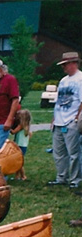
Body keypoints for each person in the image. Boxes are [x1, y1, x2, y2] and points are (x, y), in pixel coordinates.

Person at [47, 51, 82, 189]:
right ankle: (61, 177)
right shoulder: (63, 81)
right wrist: (54, 119)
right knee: (58, 152)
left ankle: (75, 180)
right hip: (59, 122)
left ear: (74, 63)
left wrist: (76, 119)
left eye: (65, 64)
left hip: (71, 122)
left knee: (74, 153)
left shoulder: (80, 79)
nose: (64, 67)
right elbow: (58, 102)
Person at [10, 108, 32, 180]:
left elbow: (13, 132)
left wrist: (8, 128)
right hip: (23, 145)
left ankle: (23, 176)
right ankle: (17, 176)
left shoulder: (20, 126)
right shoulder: (27, 127)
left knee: (19, 162)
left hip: (19, 145)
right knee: (18, 161)